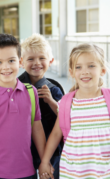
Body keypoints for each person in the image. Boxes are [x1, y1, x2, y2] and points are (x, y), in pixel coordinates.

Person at [0, 34, 46, 179]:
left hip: (27, 172)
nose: (5, 67)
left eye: (11, 61)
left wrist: (45, 161)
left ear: (20, 62)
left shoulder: (31, 93)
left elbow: (37, 129)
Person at [39, 43, 110, 179]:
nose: (85, 71)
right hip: (74, 171)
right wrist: (44, 161)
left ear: (102, 70)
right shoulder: (67, 103)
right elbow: (55, 135)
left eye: (91, 65)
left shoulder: (108, 99)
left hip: (104, 170)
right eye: (78, 67)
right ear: (71, 72)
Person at [18, 34, 64, 179]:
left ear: (50, 61)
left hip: (52, 146)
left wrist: (51, 101)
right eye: (30, 59)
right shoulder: (16, 87)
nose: (37, 63)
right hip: (25, 147)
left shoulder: (54, 88)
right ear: (21, 62)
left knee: (51, 175)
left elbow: (64, 116)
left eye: (42, 58)